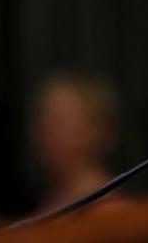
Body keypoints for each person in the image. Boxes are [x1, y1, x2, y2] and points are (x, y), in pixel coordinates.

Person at [29, 71, 127, 215]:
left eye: (59, 121)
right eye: (42, 117)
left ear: (97, 129)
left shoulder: (111, 209)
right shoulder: (48, 202)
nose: (45, 129)